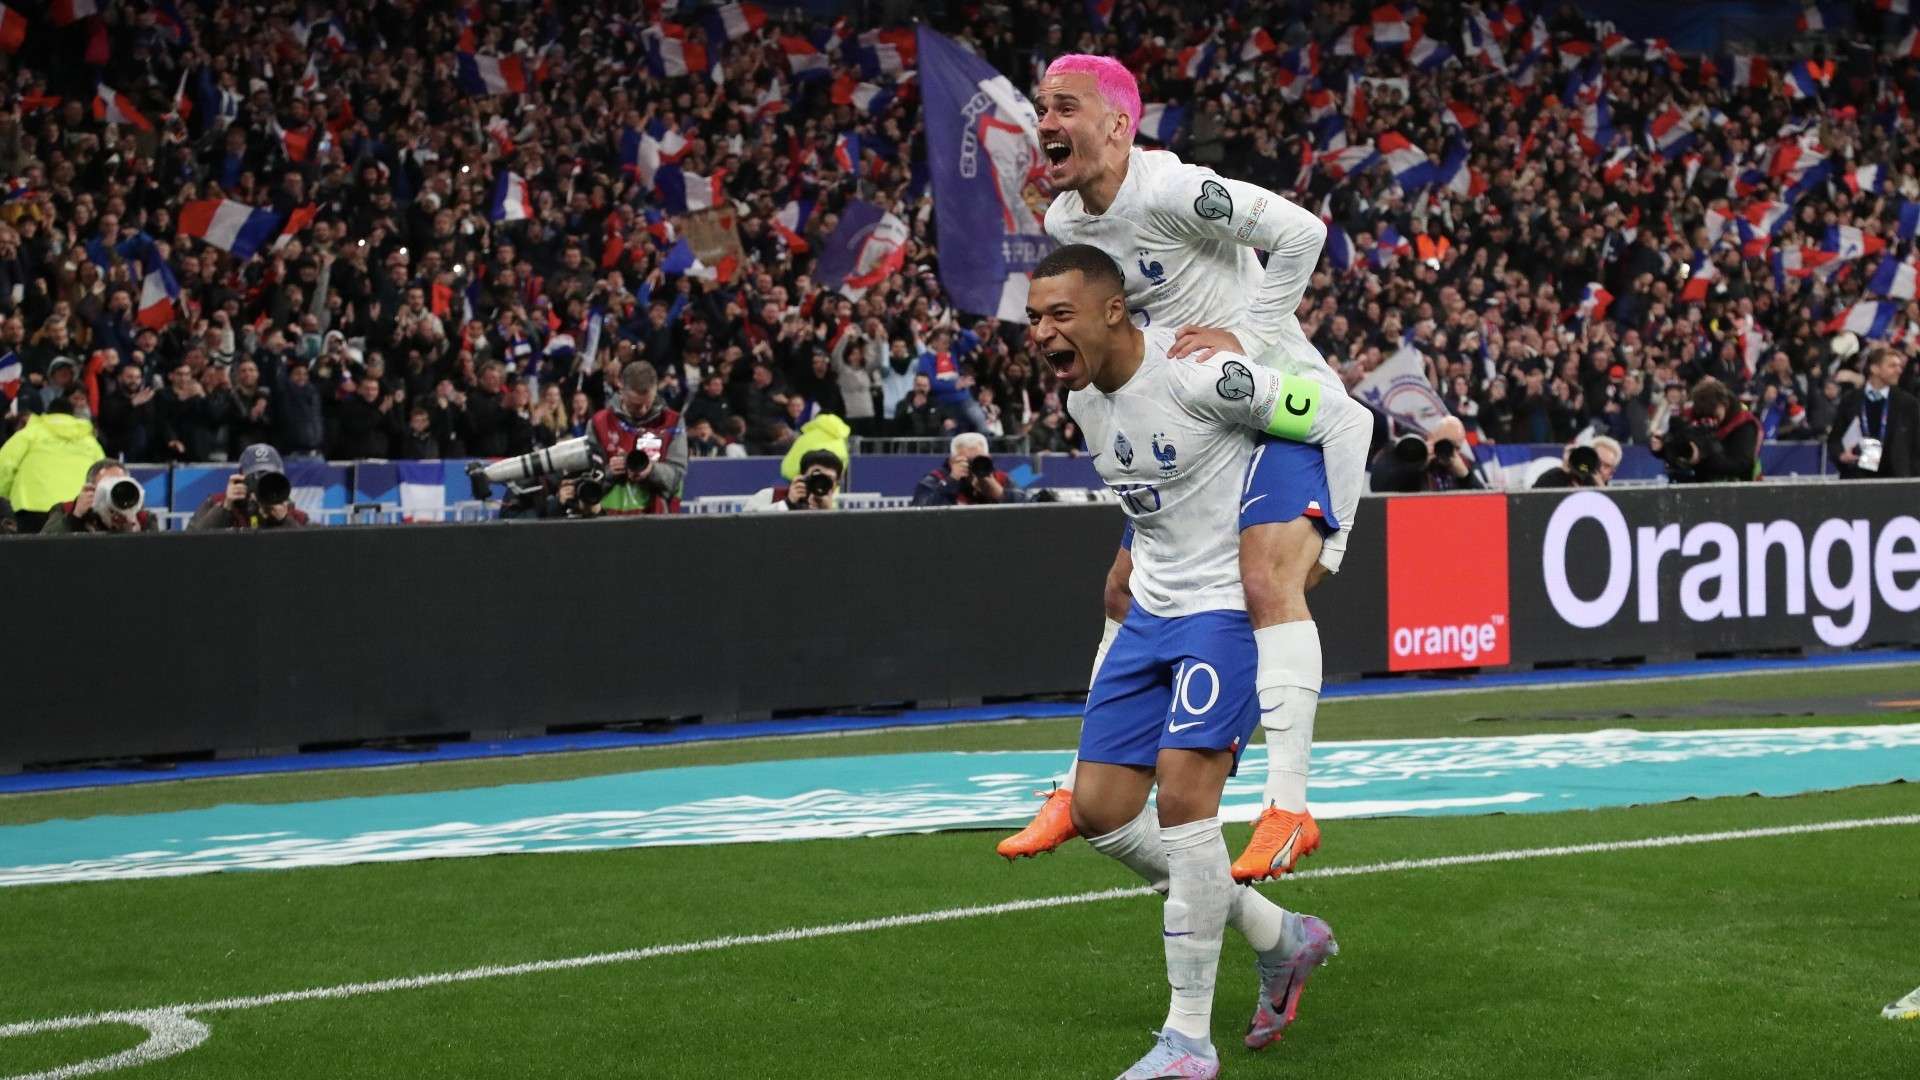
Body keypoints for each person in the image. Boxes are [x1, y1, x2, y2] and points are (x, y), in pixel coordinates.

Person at [1002, 54, 1374, 884]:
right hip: (1191, 419)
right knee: (1121, 591)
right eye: (1042, 108)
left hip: (1276, 402)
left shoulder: (1172, 191)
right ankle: (1077, 783)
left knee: (1263, 579)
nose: (1047, 122)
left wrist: (1250, 330)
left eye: (1066, 107)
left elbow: (1301, 232)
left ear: (1119, 126)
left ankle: (1288, 805)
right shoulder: (1071, 220)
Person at [1027, 246, 1338, 1077]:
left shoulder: (1197, 374)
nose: (1042, 331)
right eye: (1033, 317)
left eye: (1059, 313)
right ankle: (1281, 935)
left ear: (1113, 312)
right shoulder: (1085, 401)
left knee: (1184, 801)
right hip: (1152, 614)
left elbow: (1313, 411)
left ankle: (1188, 1041)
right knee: (1101, 814)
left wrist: (1248, 354)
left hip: (1226, 613)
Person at [589, 361, 687, 515]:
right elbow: (586, 482)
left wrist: (651, 470)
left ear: (656, 389)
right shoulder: (599, 423)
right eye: (635, 405)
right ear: (621, 388)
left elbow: (677, 478)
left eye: (647, 404)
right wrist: (609, 472)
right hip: (607, 521)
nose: (642, 410)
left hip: (656, 521)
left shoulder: (672, 422)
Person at [0, 390, 105, 534]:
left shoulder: (30, 433)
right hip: (74, 508)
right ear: (72, 415)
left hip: (31, 505)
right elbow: (103, 474)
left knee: (27, 555)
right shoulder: (90, 441)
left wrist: (4, 498)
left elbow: (4, 465)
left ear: (47, 413)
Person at [1829, 349, 1919, 479]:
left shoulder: (1908, 403)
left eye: (1900, 366)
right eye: (1892, 366)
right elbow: (1835, 439)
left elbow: (1916, 447)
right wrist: (1841, 455)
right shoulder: (1850, 399)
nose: (1899, 370)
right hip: (1858, 479)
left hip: (1896, 481)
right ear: (1874, 369)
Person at [1653, 377, 1761, 483]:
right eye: (1704, 416)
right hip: (1701, 487)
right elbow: (1679, 448)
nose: (1710, 421)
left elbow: (1742, 465)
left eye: (1714, 415)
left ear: (1723, 404)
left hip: (1737, 487)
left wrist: (1703, 457)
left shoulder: (1743, 424)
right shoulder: (1692, 415)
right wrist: (1662, 449)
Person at [187, 443, 310, 530]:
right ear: (241, 478)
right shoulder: (218, 503)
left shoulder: (293, 514)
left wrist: (284, 520)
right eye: (255, 478)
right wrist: (224, 509)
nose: (262, 484)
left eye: (269, 478)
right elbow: (190, 542)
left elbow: (310, 554)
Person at [40, 460, 158, 533]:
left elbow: (154, 556)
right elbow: (44, 546)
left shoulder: (142, 518)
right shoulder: (66, 509)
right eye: (108, 485)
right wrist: (75, 517)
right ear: (90, 489)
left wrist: (131, 528)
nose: (115, 492)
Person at [911, 432, 1014, 506]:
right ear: (952, 460)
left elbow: (1026, 506)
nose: (973, 465)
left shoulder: (1001, 477)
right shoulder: (936, 478)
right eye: (967, 460)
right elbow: (918, 513)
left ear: (989, 458)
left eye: (979, 459)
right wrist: (952, 480)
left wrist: (999, 493)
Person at [744, 449, 844, 512]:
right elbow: (746, 525)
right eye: (816, 475)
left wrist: (828, 513)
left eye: (828, 479)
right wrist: (788, 504)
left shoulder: (838, 514)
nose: (820, 482)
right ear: (802, 476)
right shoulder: (770, 495)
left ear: (835, 485)